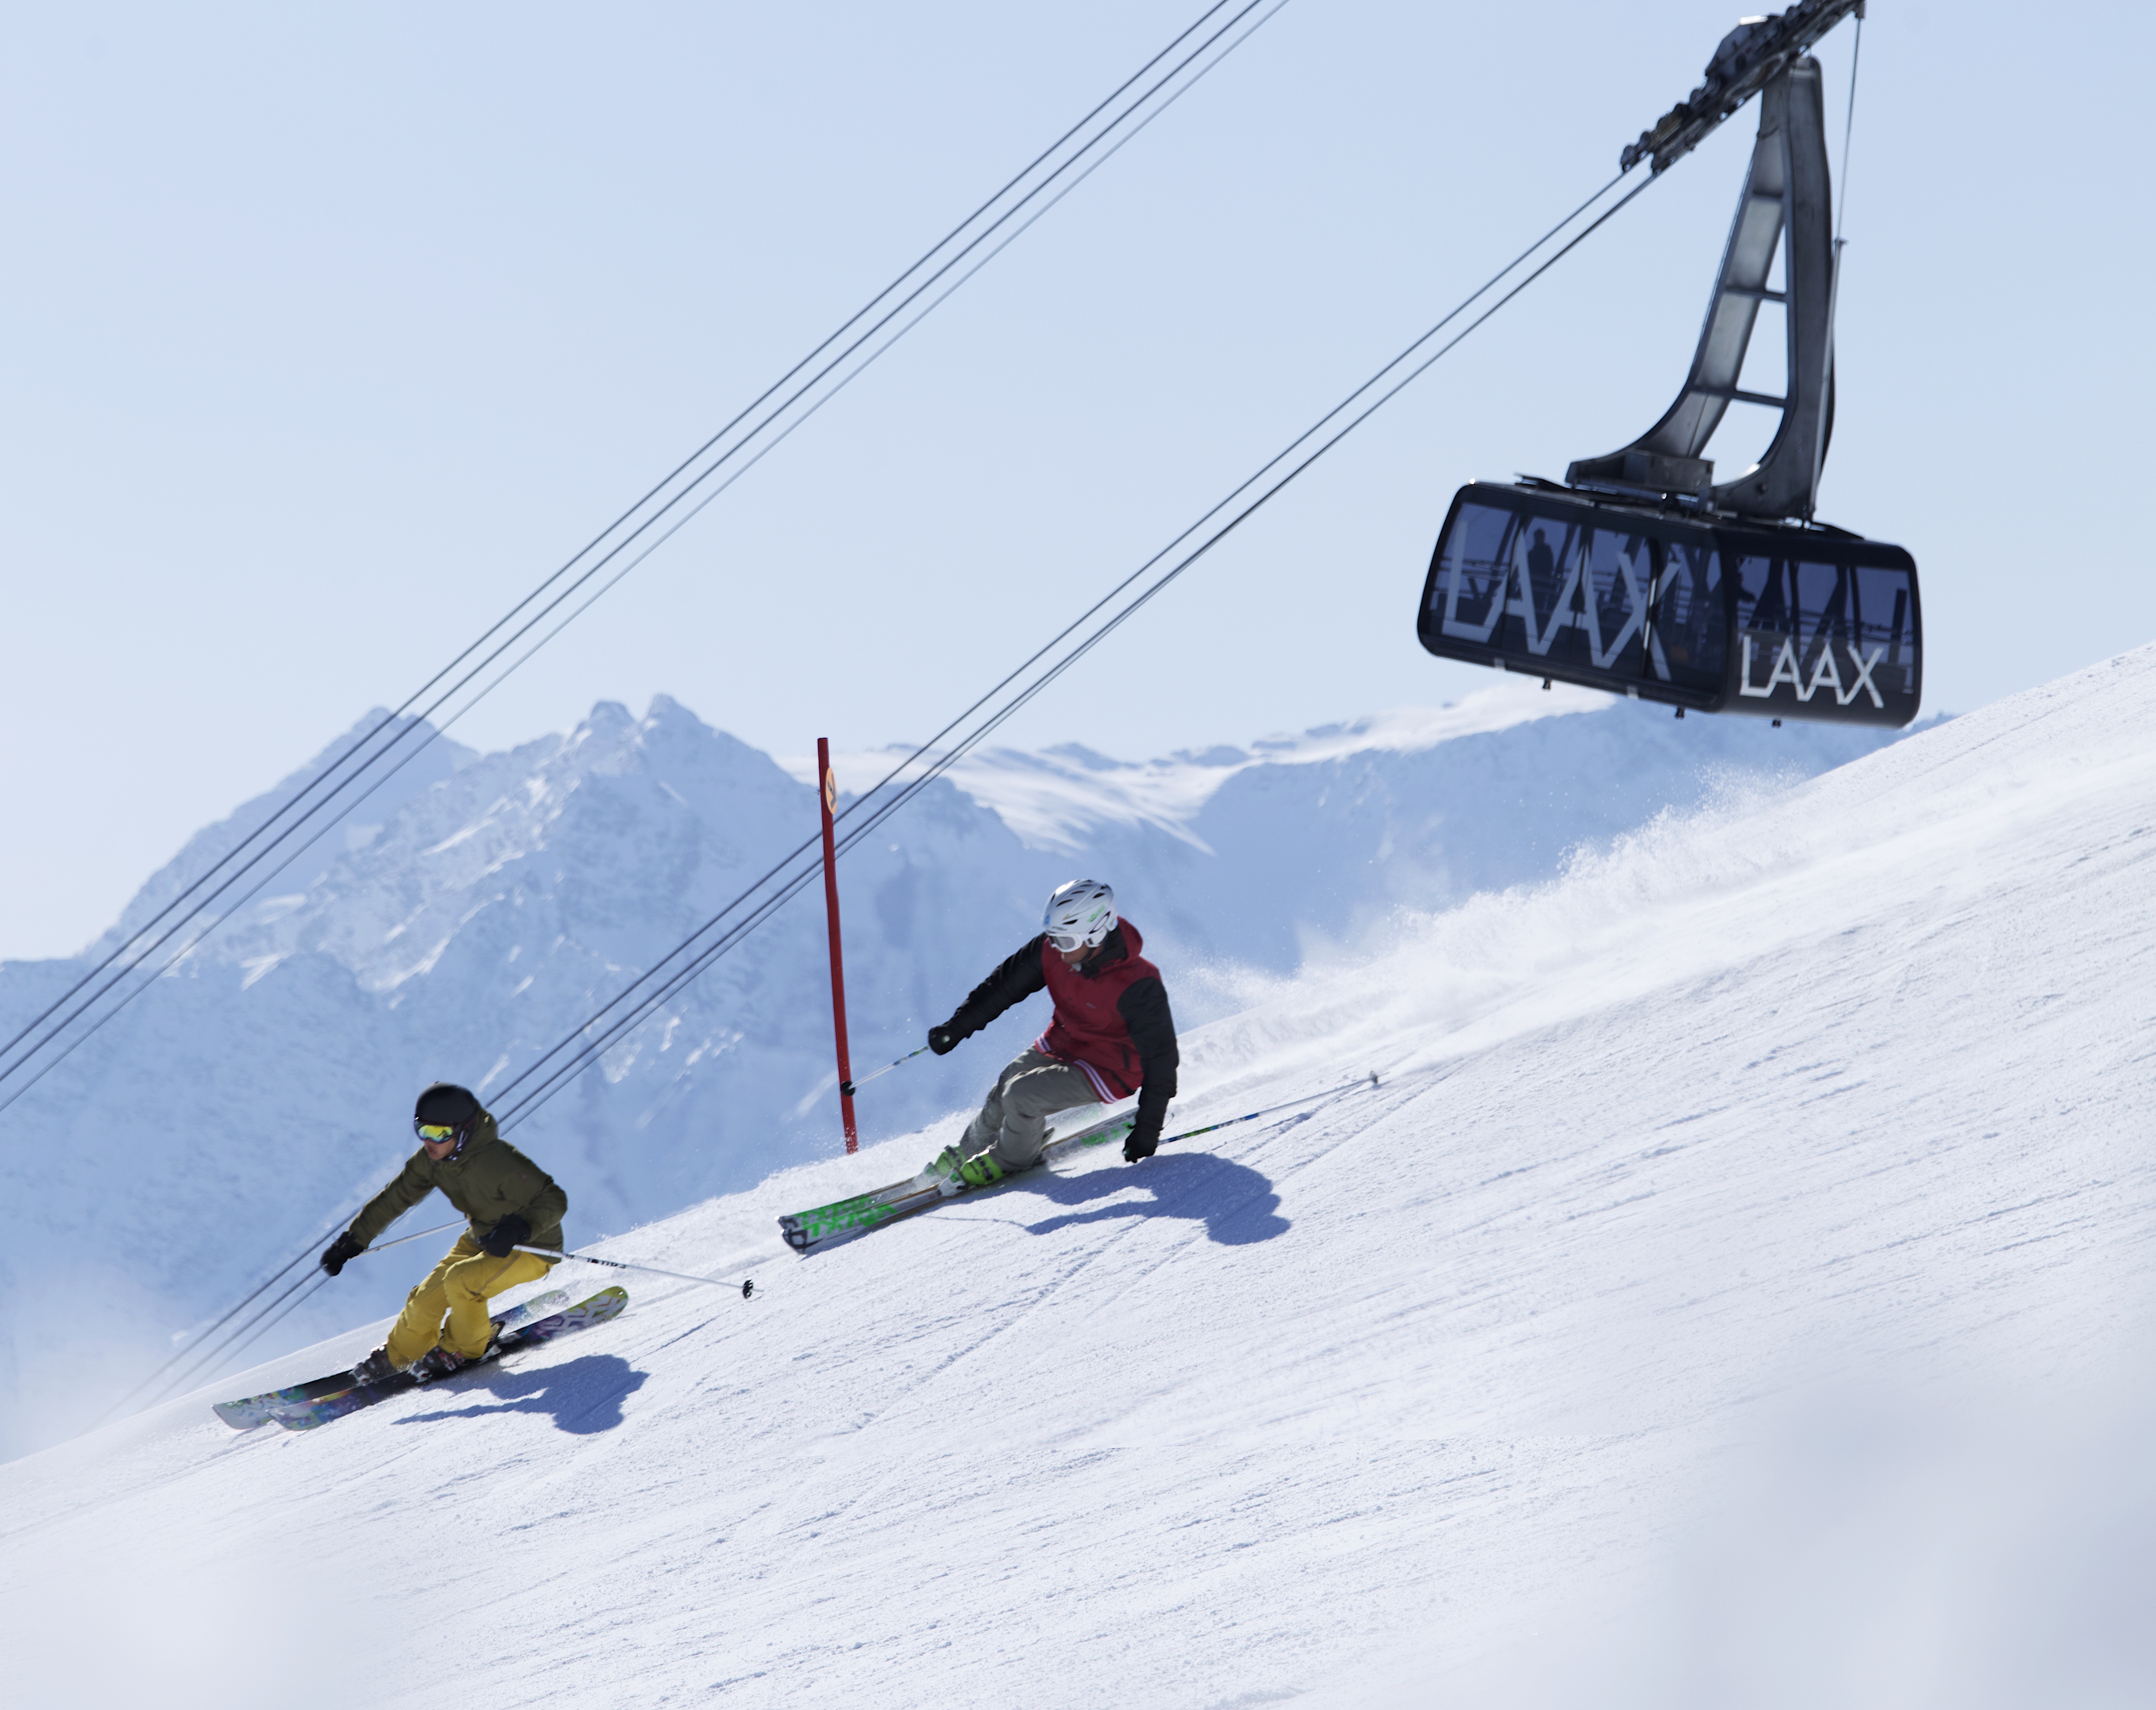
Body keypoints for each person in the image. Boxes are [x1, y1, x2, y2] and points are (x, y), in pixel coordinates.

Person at [924, 879, 1178, 1186]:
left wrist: (1147, 1130)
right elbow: (1003, 987)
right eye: (1054, 938)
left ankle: (1011, 1159)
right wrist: (957, 1027)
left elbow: (1161, 1060)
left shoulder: (1138, 984)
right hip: (1065, 1041)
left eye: (1067, 942)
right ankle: (969, 1149)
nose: (1058, 949)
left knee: (1021, 1095)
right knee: (1005, 1085)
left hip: (1112, 1068)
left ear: (1097, 933)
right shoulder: (1052, 950)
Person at [317, 1082, 567, 1383]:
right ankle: (401, 1355)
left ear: (463, 1131)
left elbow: (554, 1199)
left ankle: (464, 1349)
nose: (429, 1142)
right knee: (425, 1299)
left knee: (462, 1281)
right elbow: (396, 1197)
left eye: (439, 1134)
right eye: (422, 1131)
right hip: (481, 1239)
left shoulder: (498, 1162)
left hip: (531, 1247)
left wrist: (520, 1227)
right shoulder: (431, 1161)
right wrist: (353, 1239)